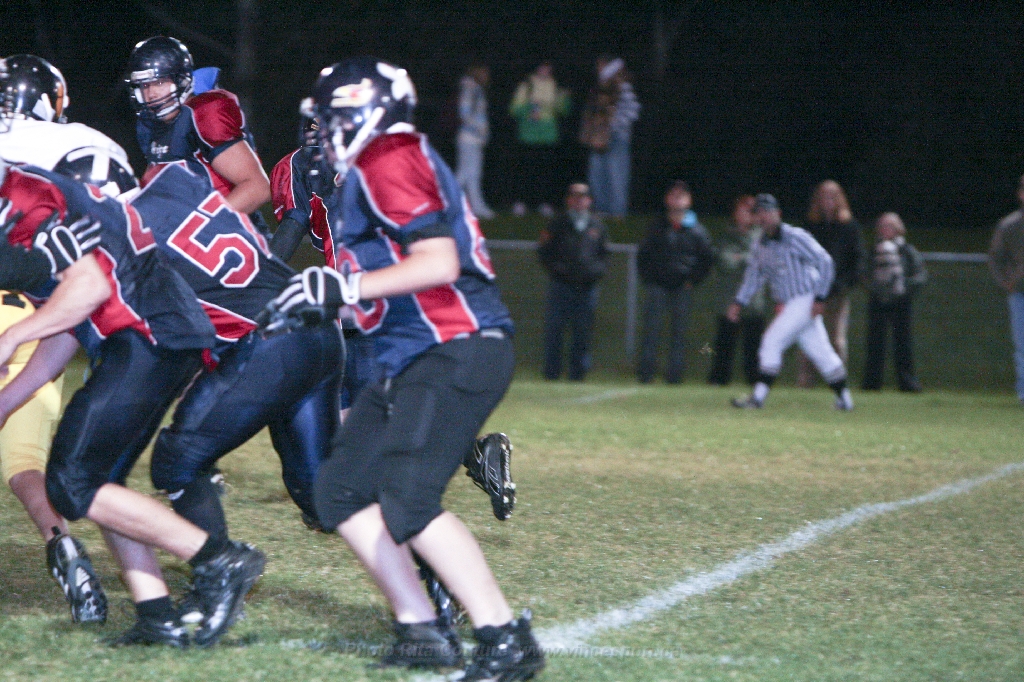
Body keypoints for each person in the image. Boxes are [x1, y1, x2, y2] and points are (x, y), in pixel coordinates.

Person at [261, 58, 543, 679]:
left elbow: (439, 262)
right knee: (339, 490)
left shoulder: (390, 155)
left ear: (372, 111)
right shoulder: (368, 169)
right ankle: (420, 627)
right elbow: (386, 284)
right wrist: (319, 303)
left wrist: (342, 289)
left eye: (335, 116)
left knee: (407, 498)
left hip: (458, 343)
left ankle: (504, 637)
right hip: (412, 352)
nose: (325, 130)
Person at [0, 163, 265, 647]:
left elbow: (89, 289)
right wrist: (7, 401)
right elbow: (66, 322)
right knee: (102, 481)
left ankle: (219, 559)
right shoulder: (29, 193)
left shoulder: (26, 199)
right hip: (154, 330)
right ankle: (157, 616)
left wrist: (12, 337)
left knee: (72, 482)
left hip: (147, 334)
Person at [0, 53, 140, 624]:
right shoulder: (83, 144)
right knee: (24, 459)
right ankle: (61, 543)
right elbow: (120, 229)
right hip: (49, 315)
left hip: (38, 307)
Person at [125, 36, 272, 229]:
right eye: (145, 85)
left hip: (230, 238)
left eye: (159, 82)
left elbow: (258, 188)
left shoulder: (204, 113)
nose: (151, 93)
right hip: (186, 241)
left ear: (182, 80)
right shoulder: (150, 126)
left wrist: (193, 229)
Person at [729, 194, 854, 411]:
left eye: (767, 212)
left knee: (771, 342)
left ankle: (757, 398)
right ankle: (845, 400)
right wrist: (739, 301)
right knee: (821, 352)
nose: (763, 217)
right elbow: (754, 277)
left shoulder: (795, 236)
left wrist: (820, 297)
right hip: (791, 304)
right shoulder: (760, 245)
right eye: (759, 213)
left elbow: (825, 261)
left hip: (805, 298)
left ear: (777, 213)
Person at [636, 181, 715, 384]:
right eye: (673, 195)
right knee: (651, 331)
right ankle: (646, 375)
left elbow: (707, 258)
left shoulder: (697, 230)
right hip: (658, 286)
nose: (677, 200)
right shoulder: (657, 226)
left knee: (679, 334)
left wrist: (692, 280)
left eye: (681, 196)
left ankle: (674, 377)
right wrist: (649, 278)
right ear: (666, 199)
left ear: (689, 200)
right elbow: (643, 254)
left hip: (682, 288)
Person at [538, 182, 608, 380]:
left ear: (589, 200)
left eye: (582, 197)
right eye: (575, 197)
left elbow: (604, 255)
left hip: (586, 287)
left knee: (583, 331)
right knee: (555, 330)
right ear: (569, 200)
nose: (578, 201)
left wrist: (594, 272)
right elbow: (544, 252)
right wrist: (558, 269)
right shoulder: (557, 223)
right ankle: (552, 372)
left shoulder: (597, 225)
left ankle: (578, 373)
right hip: (561, 285)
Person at [799, 180, 864, 386]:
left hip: (837, 292)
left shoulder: (849, 226)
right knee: (808, 338)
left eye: (832, 197)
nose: (828, 201)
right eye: (824, 197)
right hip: (812, 293)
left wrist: (843, 284)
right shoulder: (811, 225)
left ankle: (838, 383)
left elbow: (857, 260)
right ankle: (805, 383)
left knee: (837, 340)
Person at [707, 195, 768, 386]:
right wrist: (745, 259)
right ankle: (718, 379)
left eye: (750, 211)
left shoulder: (763, 236)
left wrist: (740, 258)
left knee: (754, 347)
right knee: (724, 344)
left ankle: (756, 381)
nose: (745, 215)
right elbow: (725, 262)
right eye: (741, 210)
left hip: (753, 301)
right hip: (729, 299)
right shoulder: (726, 235)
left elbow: (759, 261)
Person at [862, 212, 926, 392]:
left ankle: (907, 382)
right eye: (882, 226)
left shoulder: (907, 250)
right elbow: (864, 273)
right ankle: (872, 383)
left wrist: (904, 287)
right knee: (875, 343)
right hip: (878, 301)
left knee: (903, 343)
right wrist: (877, 289)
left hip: (901, 302)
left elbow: (920, 275)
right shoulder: (874, 250)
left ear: (898, 228)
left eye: (889, 226)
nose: (885, 229)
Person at [510, 61, 570, 216]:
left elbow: (564, 111)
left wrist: (564, 99)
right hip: (528, 135)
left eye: (548, 67)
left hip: (548, 135)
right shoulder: (527, 85)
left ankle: (544, 203)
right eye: (542, 67)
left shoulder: (556, 85)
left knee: (545, 172)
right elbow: (514, 110)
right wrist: (529, 107)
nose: (545, 70)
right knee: (525, 171)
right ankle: (521, 203)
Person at [580, 57, 639, 217]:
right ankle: (601, 209)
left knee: (616, 175)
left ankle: (617, 212)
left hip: (617, 138)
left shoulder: (622, 86)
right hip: (598, 138)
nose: (598, 68)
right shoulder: (600, 86)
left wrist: (612, 125)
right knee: (597, 175)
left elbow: (633, 111)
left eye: (601, 65)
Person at [988, 173, 1024, 403]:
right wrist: (1007, 282)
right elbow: (996, 258)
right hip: (1020, 293)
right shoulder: (1009, 225)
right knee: (1022, 346)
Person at [456, 64, 495, 220]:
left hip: (474, 139)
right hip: (468, 138)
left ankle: (476, 206)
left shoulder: (476, 90)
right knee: (465, 174)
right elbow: (464, 114)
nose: (486, 76)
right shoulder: (470, 89)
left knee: (472, 175)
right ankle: (446, 203)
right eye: (483, 72)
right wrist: (479, 129)